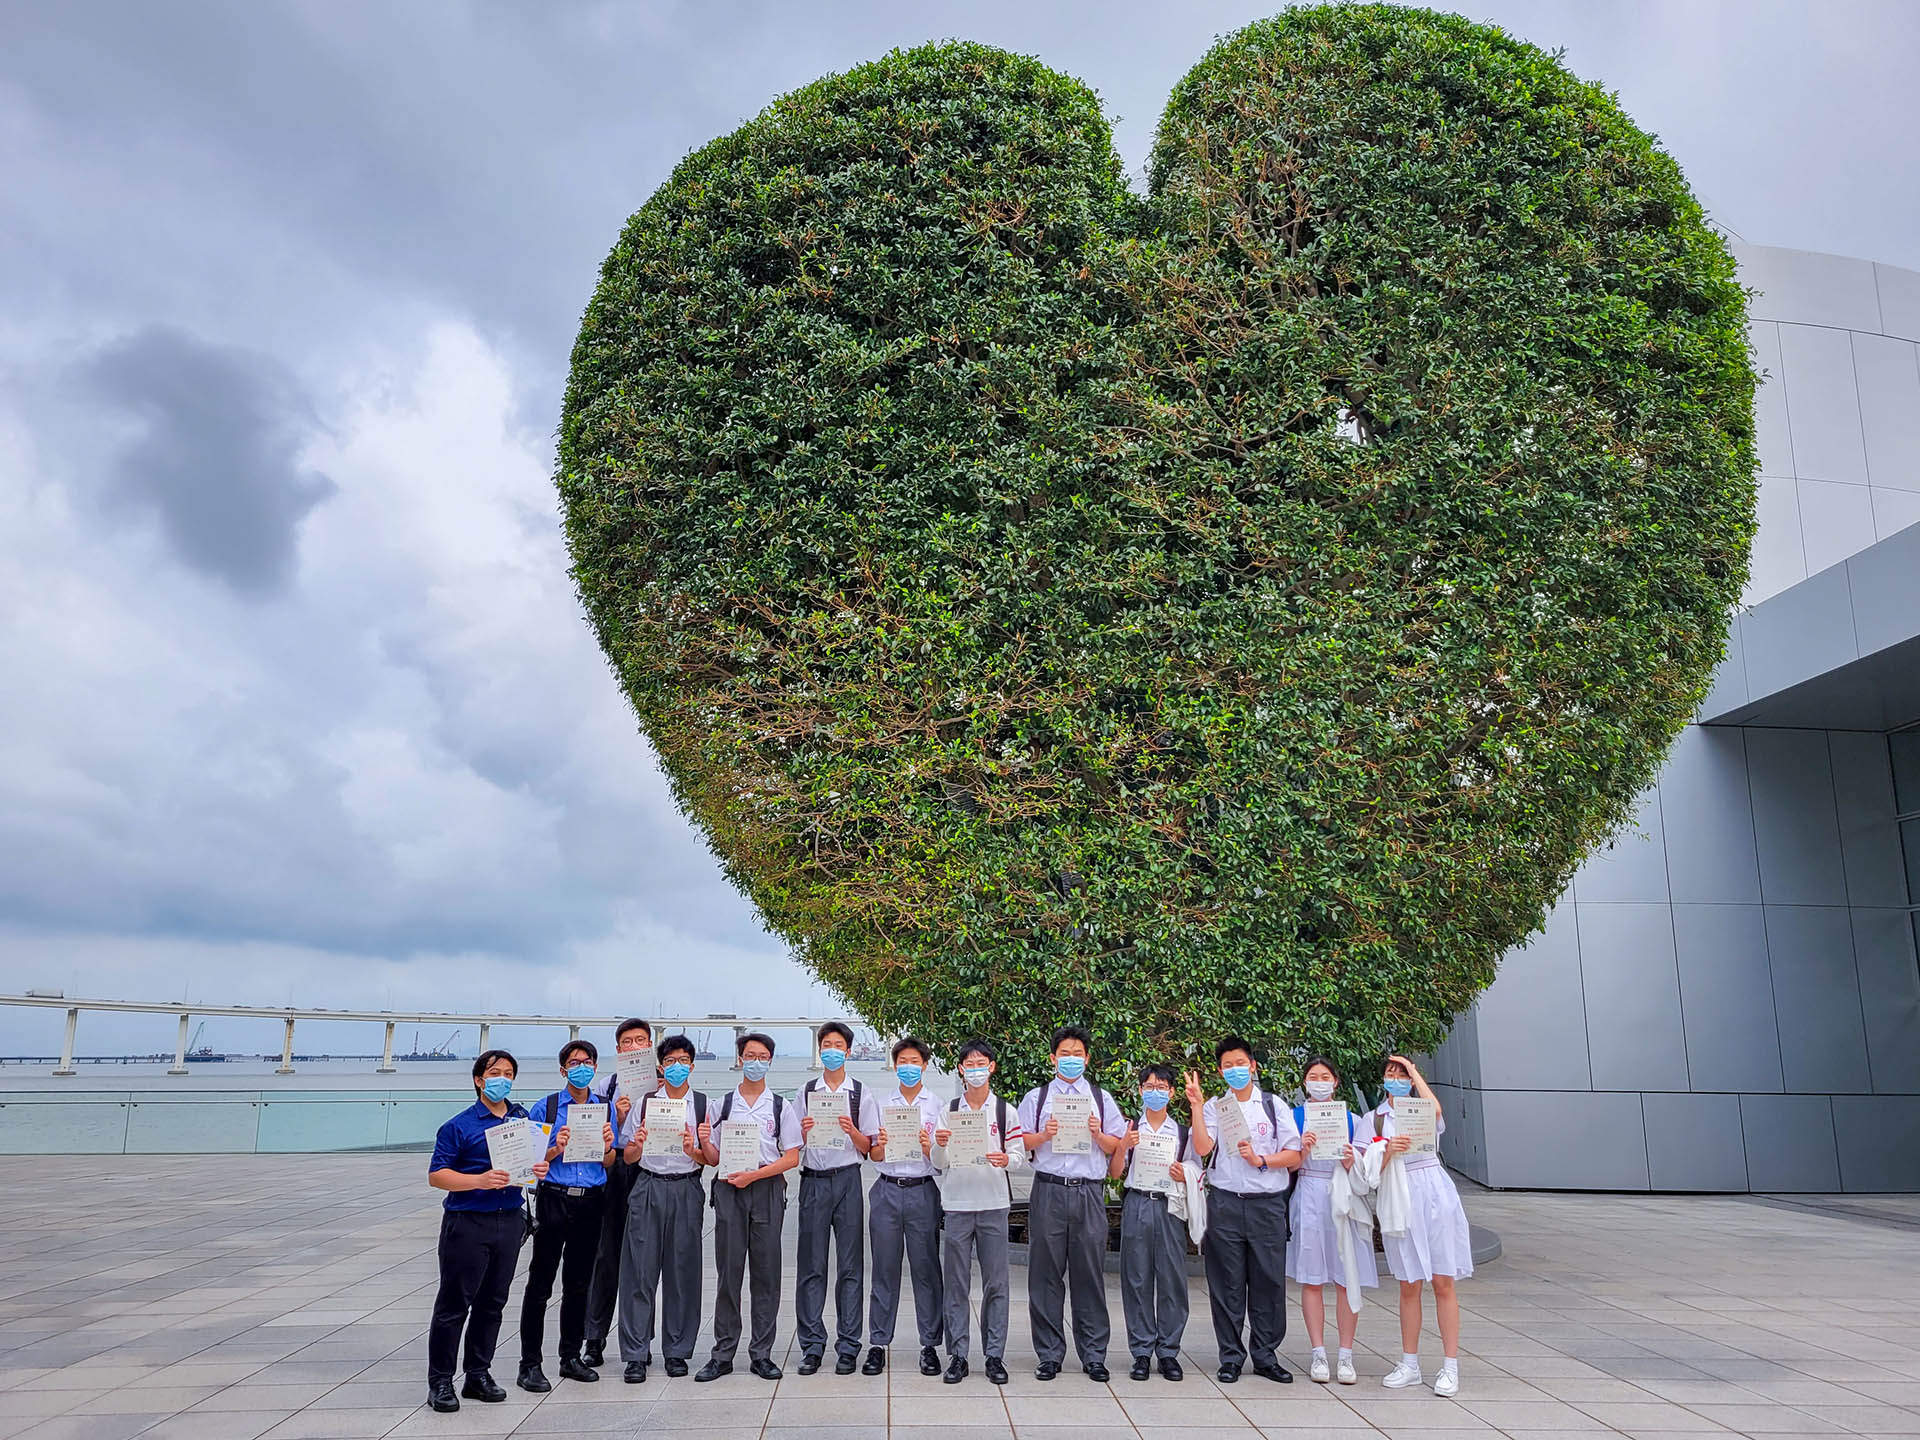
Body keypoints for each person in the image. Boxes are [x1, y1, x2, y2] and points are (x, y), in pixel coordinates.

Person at [424, 1050, 548, 1412]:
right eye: (495, 1073)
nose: (502, 1079)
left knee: (493, 1303)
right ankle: (440, 1381)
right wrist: (478, 1180)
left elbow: (531, 1161)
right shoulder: (458, 1126)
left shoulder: (521, 1120)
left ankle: (478, 1374)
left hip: (508, 1220)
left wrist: (538, 1168)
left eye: (508, 1073)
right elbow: (437, 1175)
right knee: (454, 1304)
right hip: (468, 1222)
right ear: (479, 1080)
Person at [1018, 1024, 1128, 1382]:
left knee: (1089, 1275)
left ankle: (1094, 1355)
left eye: (1077, 1054)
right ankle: (1049, 1354)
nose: (1070, 1059)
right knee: (1044, 1276)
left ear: (1087, 1059)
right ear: (1053, 1058)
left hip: (1088, 1193)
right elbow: (1019, 1144)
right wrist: (1043, 1134)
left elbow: (1117, 1147)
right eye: (1064, 1054)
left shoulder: (1101, 1098)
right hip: (1048, 1190)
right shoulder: (1037, 1098)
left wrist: (1098, 1134)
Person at [1188, 1036, 1300, 1385]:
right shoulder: (1216, 1107)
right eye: (1227, 1066)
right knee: (1227, 1284)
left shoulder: (1273, 1105)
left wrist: (1261, 1160)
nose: (1235, 1070)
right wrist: (1196, 1105)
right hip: (1225, 1202)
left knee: (1269, 1281)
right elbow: (1202, 1147)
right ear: (1220, 1071)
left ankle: (1265, 1356)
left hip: (1267, 1204)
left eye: (1240, 1063)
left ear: (1253, 1065)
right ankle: (1231, 1357)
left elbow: (1294, 1155)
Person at [698, 1031, 802, 1382]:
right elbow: (713, 1158)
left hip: (767, 1189)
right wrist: (703, 1142)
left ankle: (762, 1354)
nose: (755, 1062)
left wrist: (756, 1175)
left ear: (770, 1061)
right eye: (750, 1056)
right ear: (740, 1059)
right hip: (729, 1189)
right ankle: (723, 1353)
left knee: (766, 1275)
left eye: (762, 1057)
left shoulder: (780, 1106)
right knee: (729, 1273)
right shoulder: (723, 1105)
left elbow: (791, 1157)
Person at [1369, 1053, 1472, 1397]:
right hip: (1400, 1197)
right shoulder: (1375, 1119)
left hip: (1434, 1191)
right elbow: (1367, 1171)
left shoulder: (1421, 1108)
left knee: (1443, 1281)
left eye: (1404, 1074)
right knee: (1409, 1283)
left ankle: (1450, 1366)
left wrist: (1414, 1072)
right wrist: (1388, 1151)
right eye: (1391, 1073)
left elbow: (1437, 1111)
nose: (1397, 1079)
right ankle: (1409, 1363)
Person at [518, 1039, 617, 1392]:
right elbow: (527, 1161)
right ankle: (530, 1363)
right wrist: (554, 1148)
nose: (582, 1068)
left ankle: (571, 1357)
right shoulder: (545, 1107)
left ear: (596, 1067)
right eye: (575, 1063)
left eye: (588, 1062)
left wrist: (607, 1146)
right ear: (563, 1070)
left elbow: (609, 1160)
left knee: (579, 1283)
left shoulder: (604, 1107)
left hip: (590, 1201)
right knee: (540, 1282)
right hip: (554, 1198)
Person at [614, 1032, 714, 1383]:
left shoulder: (703, 1105)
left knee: (682, 1271)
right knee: (638, 1271)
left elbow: (710, 1159)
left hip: (686, 1187)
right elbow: (628, 1156)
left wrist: (693, 1149)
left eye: (683, 1061)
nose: (676, 1067)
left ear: (692, 1066)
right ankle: (635, 1353)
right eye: (670, 1061)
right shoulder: (645, 1103)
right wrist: (639, 1143)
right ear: (661, 1065)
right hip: (648, 1185)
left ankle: (677, 1350)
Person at [931, 1038, 1022, 1385]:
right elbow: (939, 1162)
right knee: (956, 1283)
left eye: (981, 1064)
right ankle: (958, 1355)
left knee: (996, 1283)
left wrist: (1006, 1159)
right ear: (960, 1070)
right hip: (957, 1206)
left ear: (992, 1067)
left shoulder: (1005, 1111)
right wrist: (940, 1145)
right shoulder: (949, 1110)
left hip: (994, 1205)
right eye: (969, 1065)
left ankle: (994, 1355)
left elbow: (1018, 1155)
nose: (975, 1070)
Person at [794, 1020, 877, 1376]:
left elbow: (869, 1147)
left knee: (850, 1266)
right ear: (820, 1050)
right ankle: (812, 1345)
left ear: (848, 1051)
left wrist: (851, 1129)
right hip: (813, 1181)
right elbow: (792, 1145)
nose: (831, 1051)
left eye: (837, 1046)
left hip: (847, 1179)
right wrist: (803, 1131)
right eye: (826, 1045)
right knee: (811, 1266)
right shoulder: (805, 1092)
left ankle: (848, 1345)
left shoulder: (860, 1093)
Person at [1287, 1056, 1374, 1385]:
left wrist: (1352, 1160)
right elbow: (1288, 1167)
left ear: (1336, 1082)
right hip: (1309, 1193)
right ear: (1304, 1082)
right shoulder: (1294, 1117)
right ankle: (1318, 1353)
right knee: (1311, 1279)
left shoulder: (1353, 1120)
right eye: (1313, 1076)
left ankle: (1346, 1354)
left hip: (1342, 1195)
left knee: (1345, 1276)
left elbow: (1366, 1172)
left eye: (1325, 1077)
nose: (1319, 1082)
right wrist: (1302, 1151)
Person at [862, 1036, 946, 1378]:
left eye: (914, 1062)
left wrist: (928, 1147)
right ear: (895, 1066)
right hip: (887, 1191)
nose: (908, 1067)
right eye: (902, 1062)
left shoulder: (938, 1106)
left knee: (926, 1270)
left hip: (923, 1191)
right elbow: (873, 1154)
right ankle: (878, 1343)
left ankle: (930, 1345)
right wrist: (881, 1144)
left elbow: (942, 1160)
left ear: (924, 1065)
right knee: (884, 1269)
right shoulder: (881, 1104)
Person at [1112, 1063, 1192, 1382]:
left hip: (1169, 1205)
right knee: (1137, 1278)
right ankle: (1142, 1351)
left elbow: (1196, 1172)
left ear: (1172, 1093)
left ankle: (1168, 1352)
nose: (1155, 1092)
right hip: (1138, 1202)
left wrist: (1183, 1173)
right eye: (1149, 1086)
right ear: (1140, 1090)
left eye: (1161, 1087)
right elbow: (1115, 1172)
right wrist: (1123, 1146)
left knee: (1172, 1279)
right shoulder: (1130, 1128)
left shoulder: (1182, 1133)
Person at [583, 1017, 653, 1369]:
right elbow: (592, 1135)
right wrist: (619, 1117)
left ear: (650, 1045)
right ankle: (594, 1338)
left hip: (648, 1169)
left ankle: (641, 1339)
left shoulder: (662, 1085)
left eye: (641, 1040)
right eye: (628, 1041)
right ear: (618, 1049)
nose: (635, 1046)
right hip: (613, 1169)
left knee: (644, 1260)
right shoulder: (606, 1086)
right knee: (605, 1255)